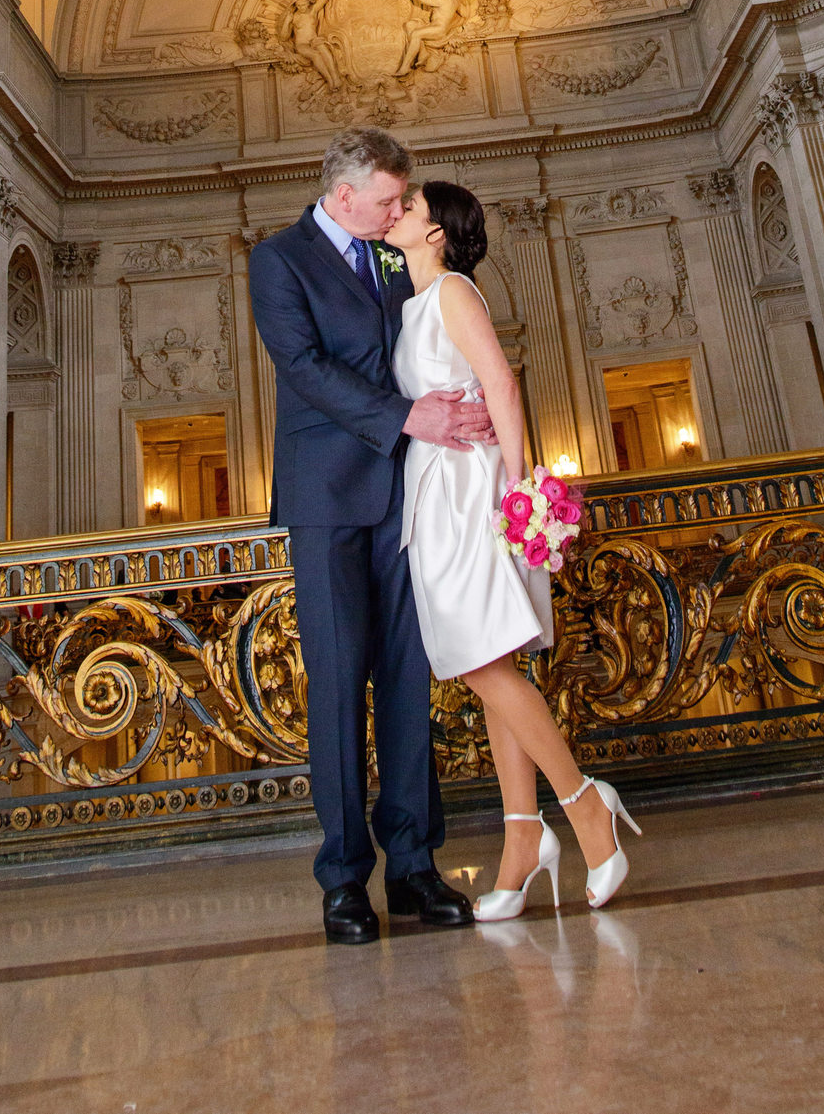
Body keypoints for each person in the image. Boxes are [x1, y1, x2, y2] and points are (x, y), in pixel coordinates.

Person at [248, 127, 492, 945]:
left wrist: (468, 401)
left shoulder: (392, 253)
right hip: (325, 500)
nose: (400, 214)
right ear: (343, 193)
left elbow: (432, 337)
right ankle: (344, 877)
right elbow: (304, 367)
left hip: (410, 495)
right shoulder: (276, 259)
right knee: (338, 684)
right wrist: (408, 415)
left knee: (406, 680)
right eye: (389, 200)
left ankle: (416, 863)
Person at [390, 180, 642, 916]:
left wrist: (516, 487)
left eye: (409, 206)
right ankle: (522, 836)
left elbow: (501, 383)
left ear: (436, 232)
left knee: (475, 657)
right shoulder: (414, 301)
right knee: (488, 659)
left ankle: (583, 802)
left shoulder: (453, 293)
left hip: (468, 492)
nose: (396, 210)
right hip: (436, 490)